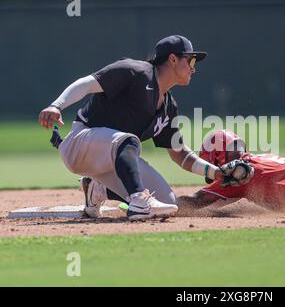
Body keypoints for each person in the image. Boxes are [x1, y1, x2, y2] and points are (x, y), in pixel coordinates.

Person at [38, 35, 250, 221]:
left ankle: (97, 188)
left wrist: (217, 173)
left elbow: (180, 154)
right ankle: (139, 202)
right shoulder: (135, 71)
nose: (193, 67)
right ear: (173, 59)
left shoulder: (169, 106)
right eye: (190, 59)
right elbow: (87, 84)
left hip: (110, 160)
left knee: (167, 201)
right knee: (128, 141)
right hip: (80, 143)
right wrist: (56, 105)